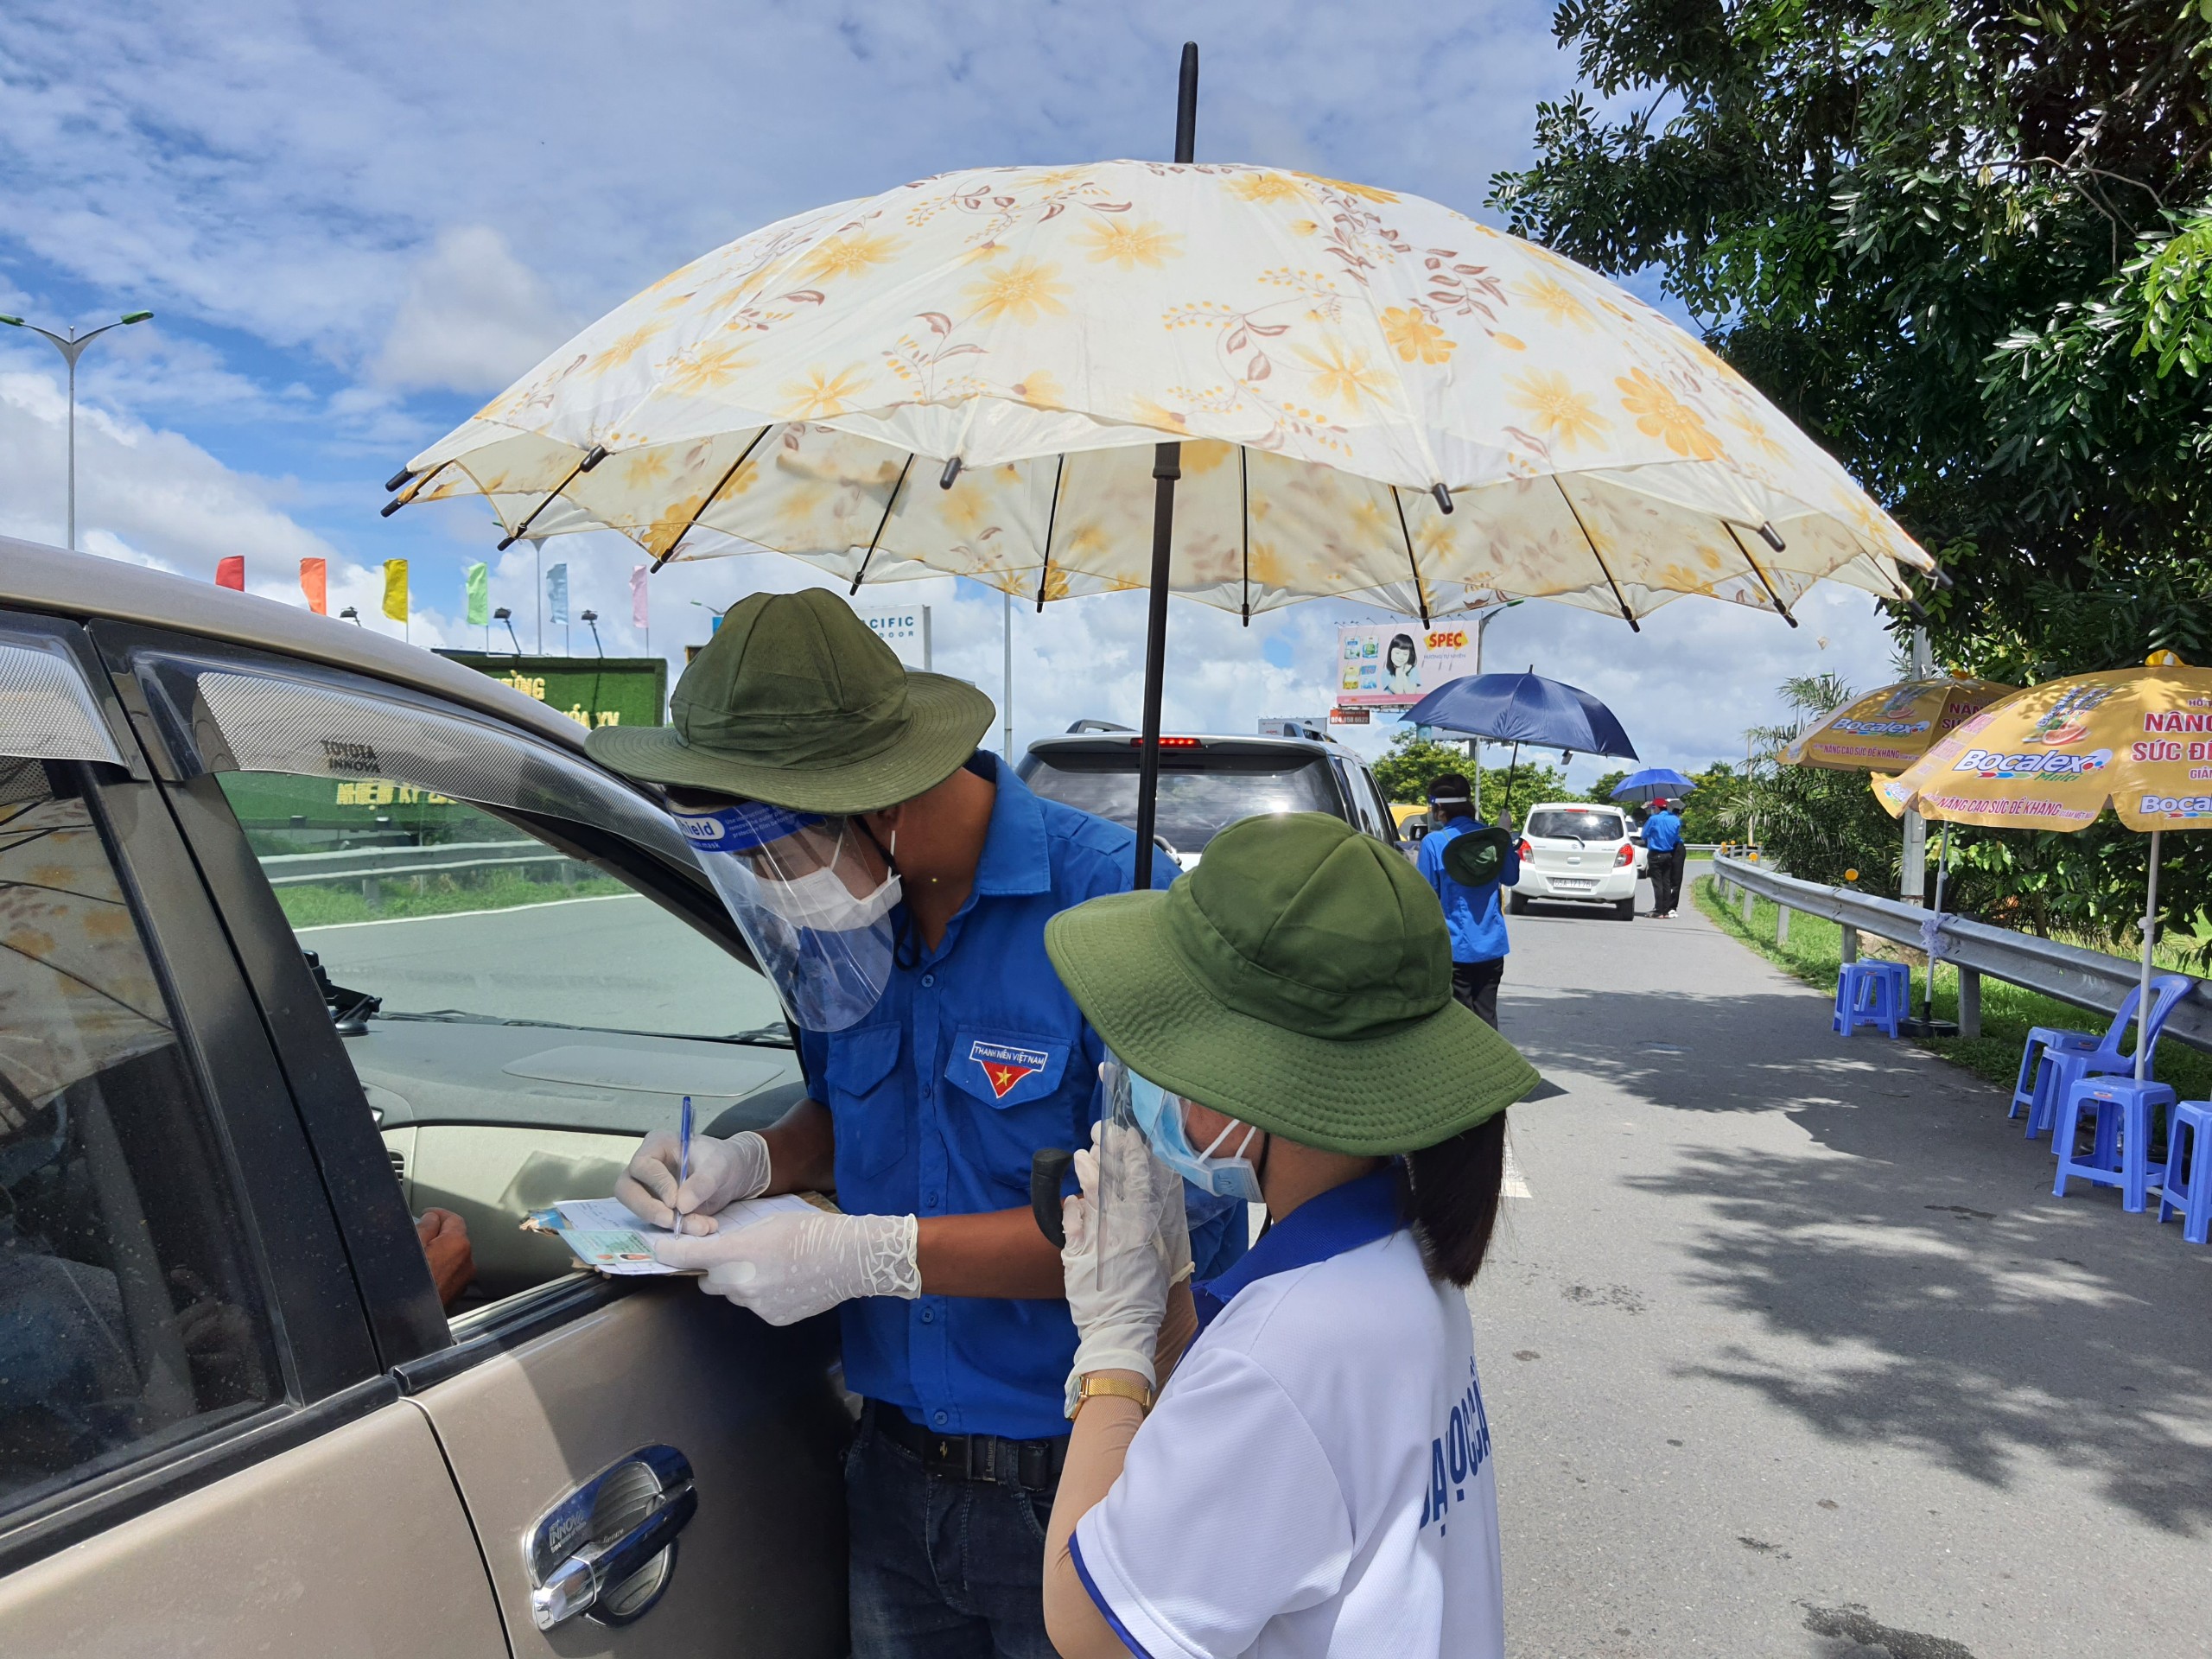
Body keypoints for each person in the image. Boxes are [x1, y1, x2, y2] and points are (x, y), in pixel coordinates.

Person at [587, 588, 1229, 1659]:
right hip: (893, 1480)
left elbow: (1158, 1241)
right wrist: (750, 1162)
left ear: (876, 800)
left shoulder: (1114, 904)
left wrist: (866, 1253)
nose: (770, 889)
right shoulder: (853, 925)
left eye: (776, 855)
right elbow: (849, 1109)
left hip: (1078, 1477)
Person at [1036, 812, 1541, 1659]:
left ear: (1249, 1085)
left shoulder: (1283, 1351)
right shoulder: (1394, 1250)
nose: (1146, 1079)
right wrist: (1161, 1302)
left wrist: (1111, 1353)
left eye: (1168, 1047)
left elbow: (1090, 1629)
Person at [1413, 772, 1519, 1028]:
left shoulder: (1434, 843)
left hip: (1454, 949)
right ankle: (1493, 1066)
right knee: (1486, 1018)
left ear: (1440, 810)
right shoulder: (1492, 837)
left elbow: (1424, 897)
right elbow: (1511, 877)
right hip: (1492, 947)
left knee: (1458, 1026)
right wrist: (1504, 834)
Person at [1643, 797, 1686, 918]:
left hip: (1656, 852)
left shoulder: (1653, 819)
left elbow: (1644, 834)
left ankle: (1659, 910)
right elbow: (1675, 834)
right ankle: (1667, 910)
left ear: (1656, 808)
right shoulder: (1675, 820)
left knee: (1658, 883)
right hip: (1669, 852)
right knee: (1667, 882)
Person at [1382, 632, 1421, 696]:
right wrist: (1399, 670)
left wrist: (1403, 674)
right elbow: (1399, 692)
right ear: (1390, 652)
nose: (1401, 657)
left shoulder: (1413, 670)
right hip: (1393, 705)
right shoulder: (1386, 673)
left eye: (1405, 654)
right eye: (1397, 653)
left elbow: (1411, 693)